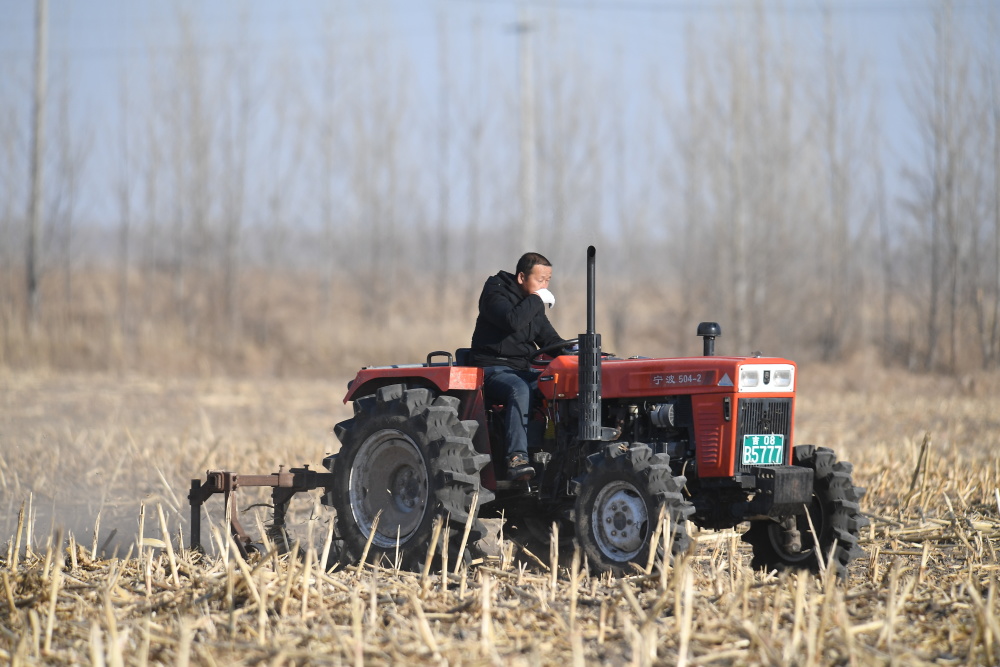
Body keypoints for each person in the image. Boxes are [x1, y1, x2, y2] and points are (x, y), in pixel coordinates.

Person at [470, 252, 567, 481]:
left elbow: (550, 342)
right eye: (540, 279)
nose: (544, 286)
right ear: (522, 277)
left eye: (548, 280)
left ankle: (557, 453)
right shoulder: (495, 292)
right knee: (518, 388)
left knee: (556, 385)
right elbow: (511, 321)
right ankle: (517, 457)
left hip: (521, 369)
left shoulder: (533, 305)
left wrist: (576, 354)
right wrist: (537, 298)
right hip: (492, 369)